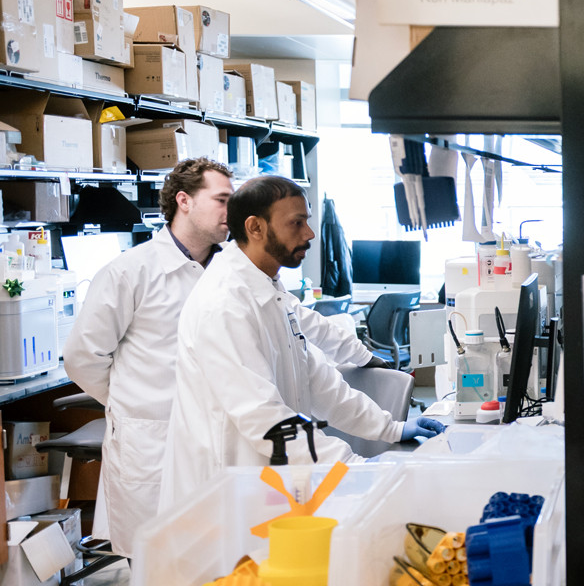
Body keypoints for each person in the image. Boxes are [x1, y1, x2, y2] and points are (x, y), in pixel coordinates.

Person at [63, 159, 386, 557]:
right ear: (184, 201)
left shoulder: (240, 270)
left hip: (228, 434)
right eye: (221, 199)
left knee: (220, 561)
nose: (229, 209)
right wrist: (132, 402)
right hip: (153, 434)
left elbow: (303, 332)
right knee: (163, 567)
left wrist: (364, 357)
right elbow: (82, 358)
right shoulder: (131, 272)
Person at [159, 176, 443, 507]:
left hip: (267, 481)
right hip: (226, 489)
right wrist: (351, 468)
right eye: (296, 223)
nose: (309, 234)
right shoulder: (224, 304)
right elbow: (264, 416)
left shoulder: (270, 290)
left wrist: (391, 428)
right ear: (255, 228)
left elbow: (319, 383)